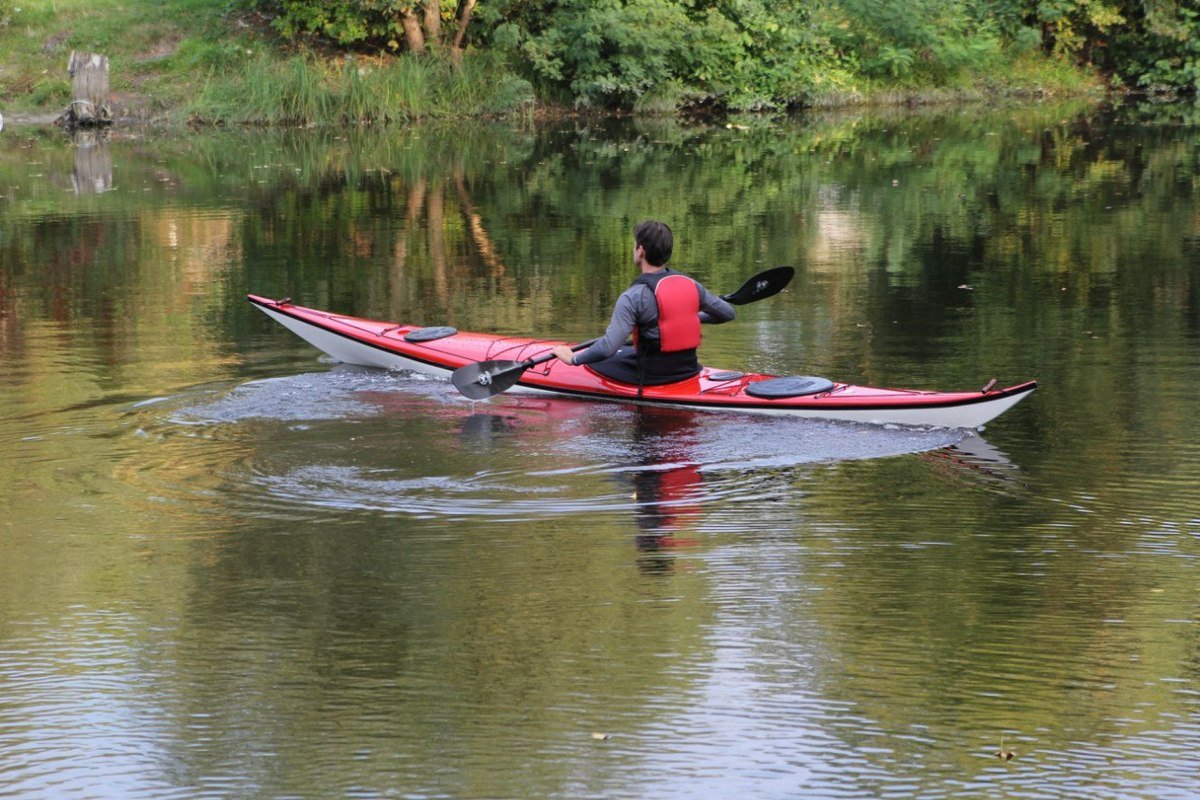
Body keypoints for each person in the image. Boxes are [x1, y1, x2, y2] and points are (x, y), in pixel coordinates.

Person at [550, 221, 735, 387]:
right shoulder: (692, 285)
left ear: (640, 251)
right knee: (627, 349)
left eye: (634, 245)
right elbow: (728, 313)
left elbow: (607, 348)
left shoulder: (632, 297)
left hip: (652, 376)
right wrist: (685, 319)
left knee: (595, 360)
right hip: (688, 369)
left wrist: (573, 358)